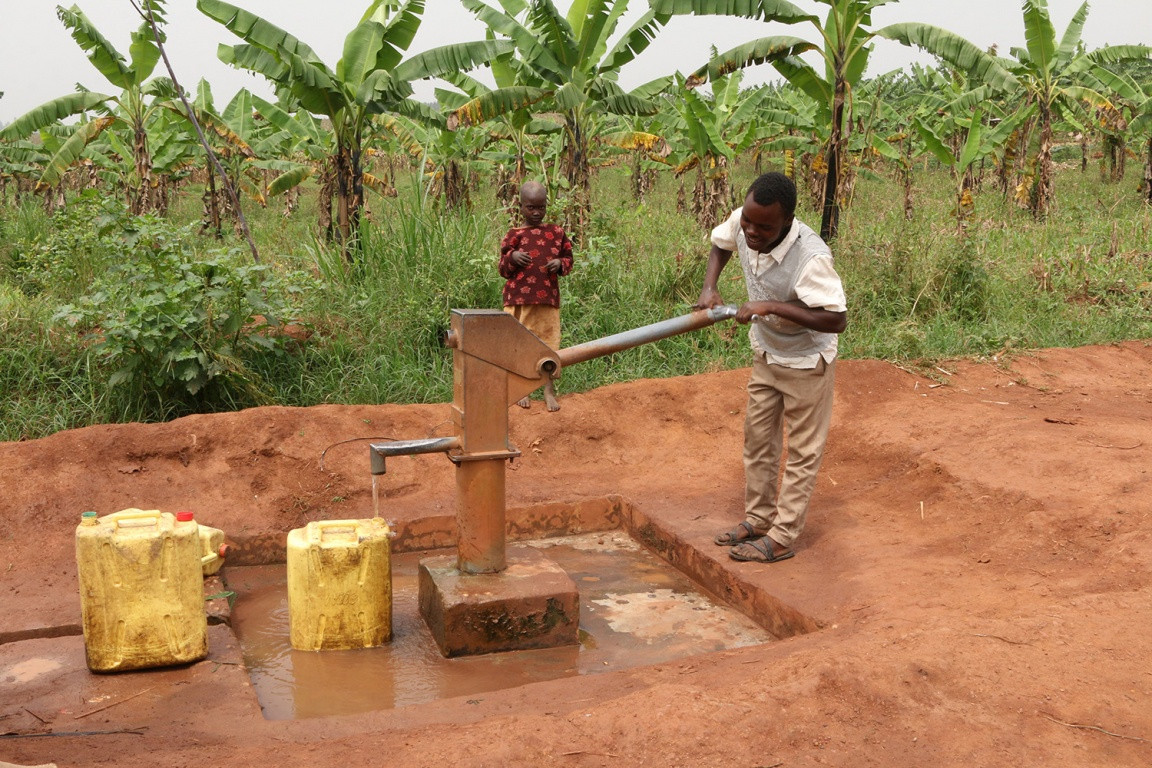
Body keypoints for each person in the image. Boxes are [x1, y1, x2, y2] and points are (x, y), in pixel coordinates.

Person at [695, 172, 847, 563]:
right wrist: (710, 286)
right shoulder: (746, 219)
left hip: (807, 361)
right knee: (758, 440)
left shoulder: (812, 257)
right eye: (748, 220)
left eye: (764, 227)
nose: (751, 231)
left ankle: (782, 536)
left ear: (787, 222)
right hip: (767, 352)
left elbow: (836, 319)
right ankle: (759, 518)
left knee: (802, 452)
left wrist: (771, 306)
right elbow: (721, 242)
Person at [498, 180, 574, 412]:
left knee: (547, 346)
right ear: (520, 206)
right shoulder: (514, 235)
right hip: (518, 300)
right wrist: (512, 257)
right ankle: (523, 388)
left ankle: (548, 390)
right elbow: (502, 269)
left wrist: (560, 262)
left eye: (541, 207)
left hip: (546, 301)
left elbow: (570, 260)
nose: (536, 212)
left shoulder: (556, 233)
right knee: (519, 345)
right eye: (531, 207)